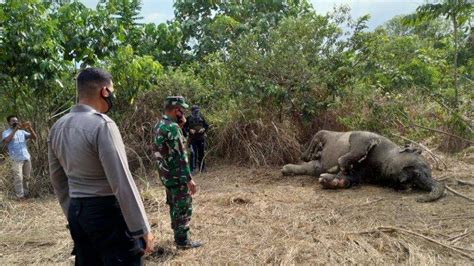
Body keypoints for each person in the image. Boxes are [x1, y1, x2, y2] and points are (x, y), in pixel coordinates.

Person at [48, 67, 154, 265]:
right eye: (112, 90)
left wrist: (72, 214)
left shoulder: (57, 127)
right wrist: (142, 228)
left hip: (78, 214)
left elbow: (58, 180)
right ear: (104, 91)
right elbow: (121, 181)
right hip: (107, 214)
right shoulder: (102, 125)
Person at [153, 96, 202, 249]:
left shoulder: (159, 125)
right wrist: (189, 179)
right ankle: (182, 241)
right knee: (182, 207)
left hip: (166, 175)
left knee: (174, 206)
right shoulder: (172, 128)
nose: (183, 112)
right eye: (182, 110)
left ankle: (178, 236)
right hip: (177, 176)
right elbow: (181, 155)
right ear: (176, 110)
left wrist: (180, 127)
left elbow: (167, 149)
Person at [2, 115, 37, 200]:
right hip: (15, 159)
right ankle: (20, 196)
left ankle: (26, 194)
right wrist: (15, 130)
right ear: (9, 123)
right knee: (18, 177)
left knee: (27, 177)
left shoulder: (22, 132)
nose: (15, 122)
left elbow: (34, 137)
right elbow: (7, 141)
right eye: (13, 121)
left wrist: (30, 128)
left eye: (16, 120)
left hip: (26, 157)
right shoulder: (6, 132)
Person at [183, 105, 209, 173]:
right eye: (195, 111)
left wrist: (203, 129)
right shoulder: (188, 118)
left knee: (201, 153)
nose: (196, 112)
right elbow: (184, 127)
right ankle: (192, 169)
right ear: (191, 111)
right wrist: (189, 130)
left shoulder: (201, 117)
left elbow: (206, 126)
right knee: (193, 153)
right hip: (192, 139)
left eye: (197, 111)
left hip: (201, 138)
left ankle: (202, 168)